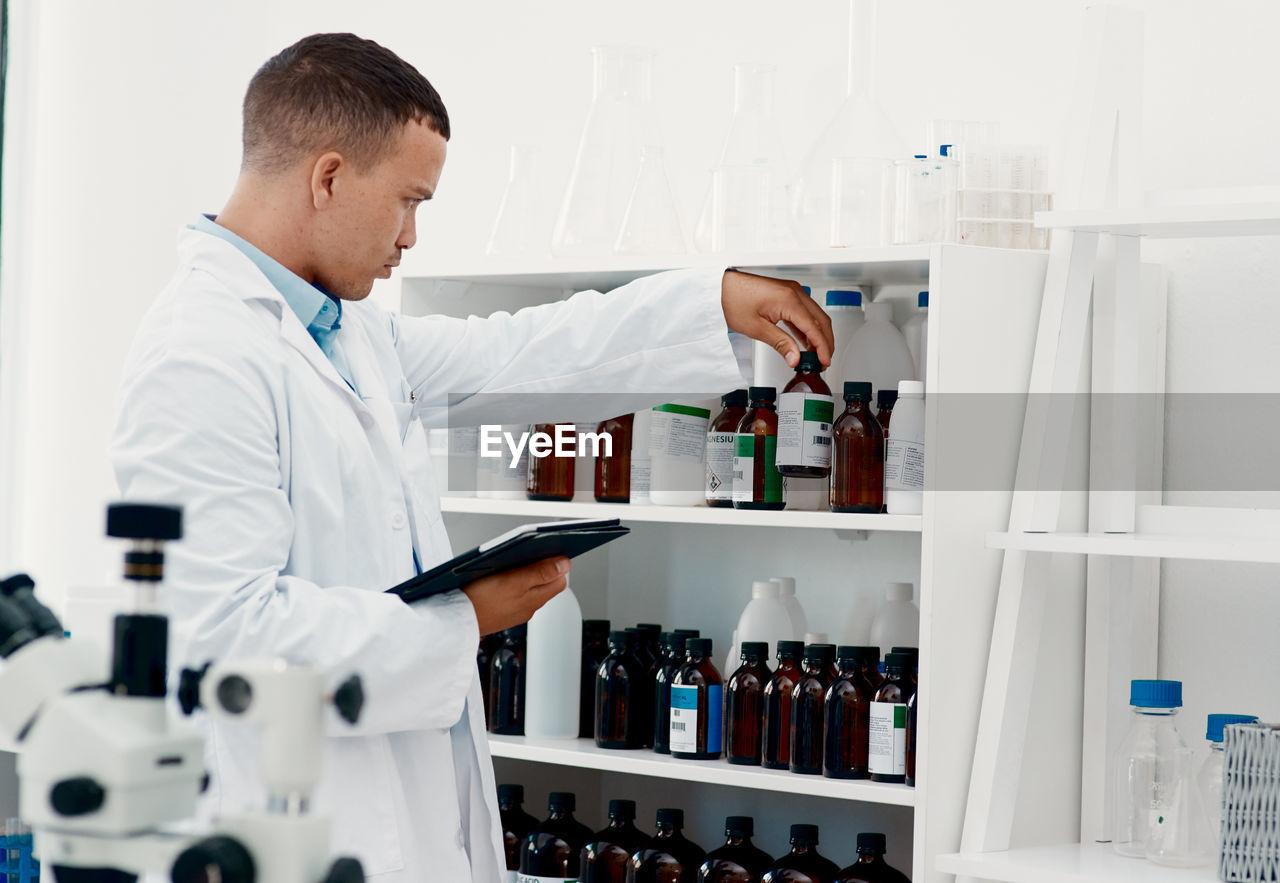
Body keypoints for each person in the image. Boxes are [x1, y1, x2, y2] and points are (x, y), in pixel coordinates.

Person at [110, 33, 832, 882]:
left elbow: (518, 355)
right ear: (329, 177)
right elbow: (221, 643)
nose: (412, 235)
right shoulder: (202, 354)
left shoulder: (348, 336)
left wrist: (709, 301)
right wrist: (464, 619)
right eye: (409, 200)